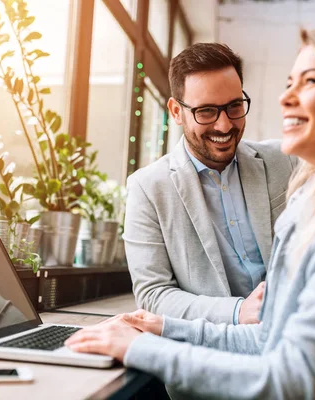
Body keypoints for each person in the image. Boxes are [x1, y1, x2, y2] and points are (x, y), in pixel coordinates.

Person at [66, 25, 315, 399]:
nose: (285, 99)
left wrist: (139, 348)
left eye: (311, 82)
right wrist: (163, 327)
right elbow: (272, 338)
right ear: (177, 111)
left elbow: (293, 378)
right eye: (290, 83)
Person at [125, 43, 296, 325]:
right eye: (206, 112)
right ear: (176, 112)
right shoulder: (147, 188)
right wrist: (237, 311)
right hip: (211, 342)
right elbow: (153, 294)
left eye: (234, 106)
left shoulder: (285, 161)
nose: (224, 125)